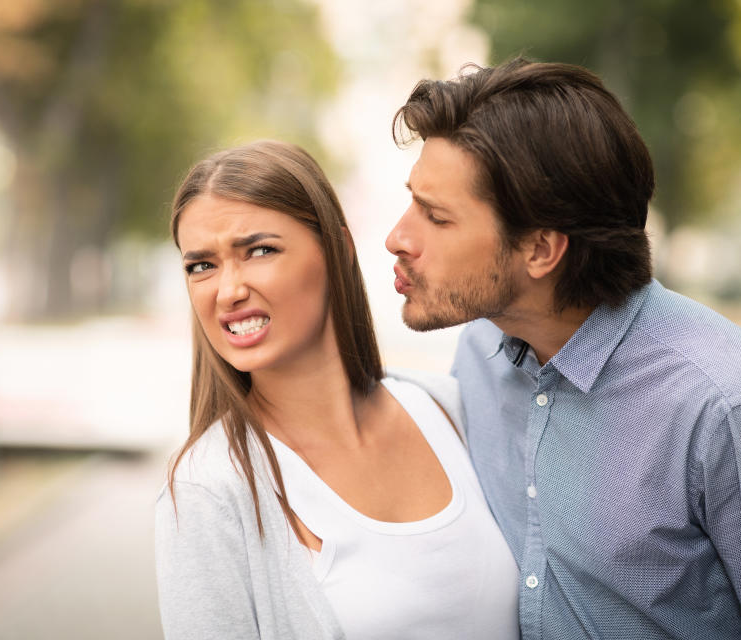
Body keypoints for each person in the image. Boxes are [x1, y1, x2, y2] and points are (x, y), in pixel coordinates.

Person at [385, 58, 741, 640]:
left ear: (541, 249)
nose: (398, 238)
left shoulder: (735, 411)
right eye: (413, 201)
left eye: (436, 217)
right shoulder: (482, 348)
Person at [154, 140, 519, 640]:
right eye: (202, 265)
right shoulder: (208, 489)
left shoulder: (449, 408)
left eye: (259, 250)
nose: (228, 290)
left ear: (338, 250)